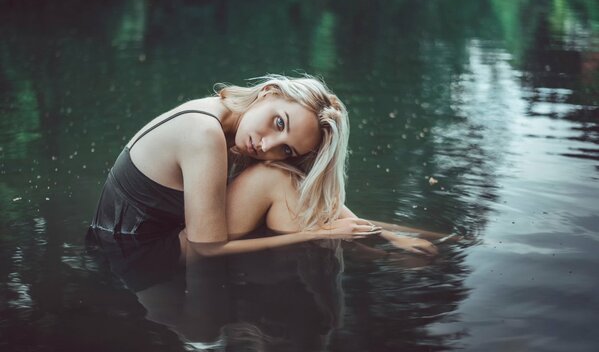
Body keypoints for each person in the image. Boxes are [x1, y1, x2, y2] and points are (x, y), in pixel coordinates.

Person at [90, 74, 441, 256]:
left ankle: (388, 244)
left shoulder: (230, 122)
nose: (267, 146)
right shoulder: (204, 133)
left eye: (286, 149)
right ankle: (377, 256)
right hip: (133, 254)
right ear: (270, 92)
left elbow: (310, 192)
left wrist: (390, 235)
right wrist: (318, 234)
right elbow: (207, 249)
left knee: (284, 179)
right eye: (279, 123)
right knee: (275, 180)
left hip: (155, 240)